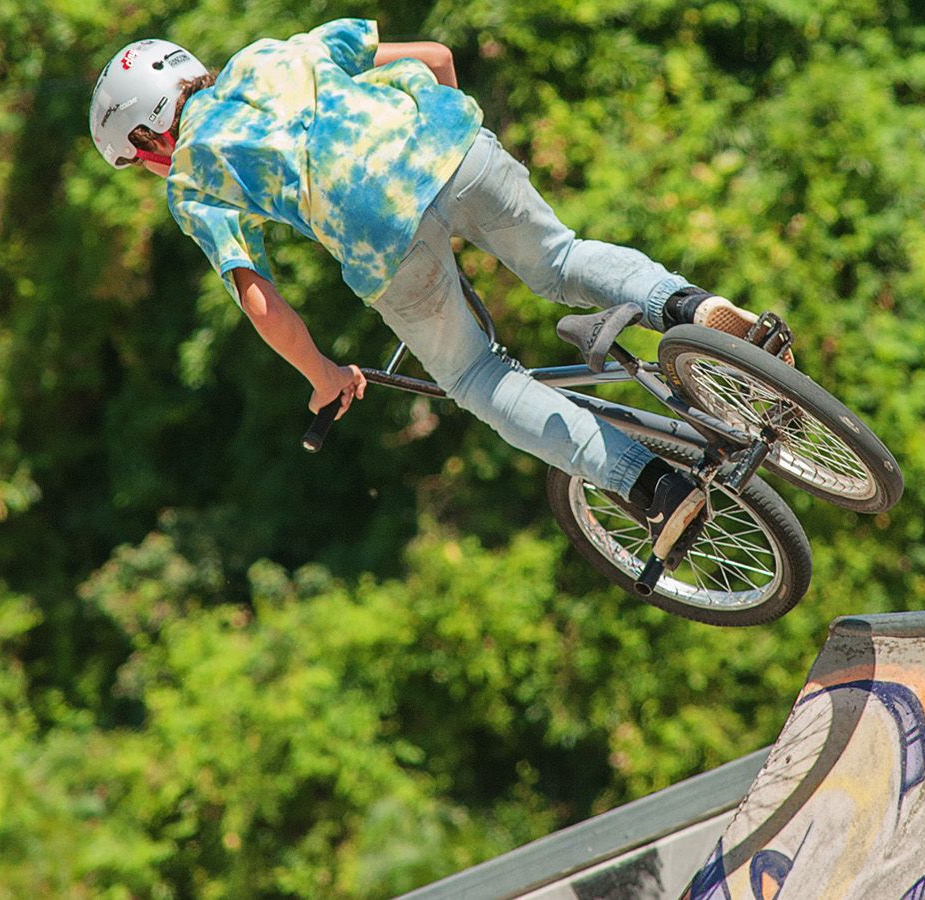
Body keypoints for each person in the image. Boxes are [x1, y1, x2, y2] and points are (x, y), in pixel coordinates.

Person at [88, 20, 766, 560]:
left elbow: (260, 299)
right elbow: (437, 57)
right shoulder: (276, 52)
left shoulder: (190, 176)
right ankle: (691, 308)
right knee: (561, 261)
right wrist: (459, 159)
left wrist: (323, 375)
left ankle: (652, 486)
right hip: (454, 144)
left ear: (148, 133)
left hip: (379, 231)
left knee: (477, 378)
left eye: (137, 155)